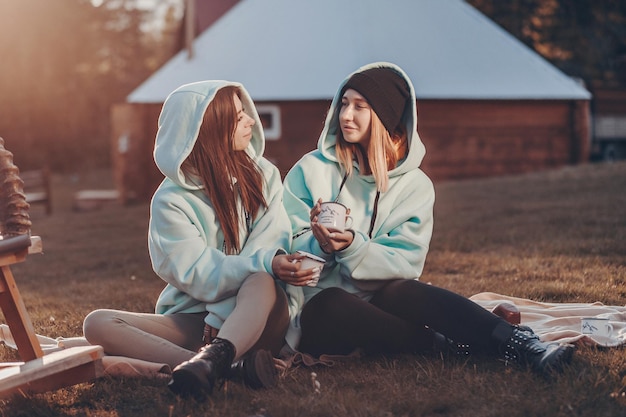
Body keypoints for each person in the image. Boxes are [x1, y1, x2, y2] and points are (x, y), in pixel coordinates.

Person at [280, 62, 575, 374]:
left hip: (379, 301)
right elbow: (284, 240)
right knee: (332, 303)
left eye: (359, 106)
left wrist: (353, 246)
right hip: (317, 311)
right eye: (343, 103)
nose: (346, 115)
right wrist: (322, 244)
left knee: (401, 290)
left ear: (384, 117)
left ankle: (521, 344)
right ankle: (441, 344)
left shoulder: (414, 187)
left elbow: (406, 263)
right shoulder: (311, 170)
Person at [83, 80, 303, 398]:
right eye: (239, 117)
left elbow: (269, 249)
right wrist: (211, 323)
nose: (251, 122)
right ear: (210, 127)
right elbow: (195, 271)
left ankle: (214, 359)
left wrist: (222, 314)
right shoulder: (170, 201)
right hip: (195, 323)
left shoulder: (264, 175)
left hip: (259, 316)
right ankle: (212, 366)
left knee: (261, 278)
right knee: (97, 324)